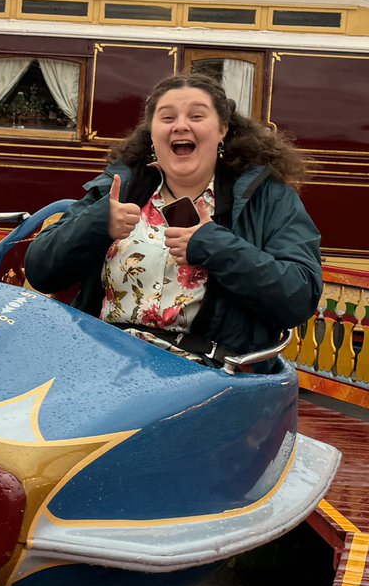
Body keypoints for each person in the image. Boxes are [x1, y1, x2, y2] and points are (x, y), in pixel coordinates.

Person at [23, 71, 322, 371]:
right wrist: (97, 224)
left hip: (206, 376)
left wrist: (215, 246)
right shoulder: (123, 186)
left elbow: (299, 296)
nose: (181, 125)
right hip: (100, 361)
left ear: (222, 129)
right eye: (167, 118)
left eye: (196, 116)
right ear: (152, 133)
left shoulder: (266, 195)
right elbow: (40, 271)